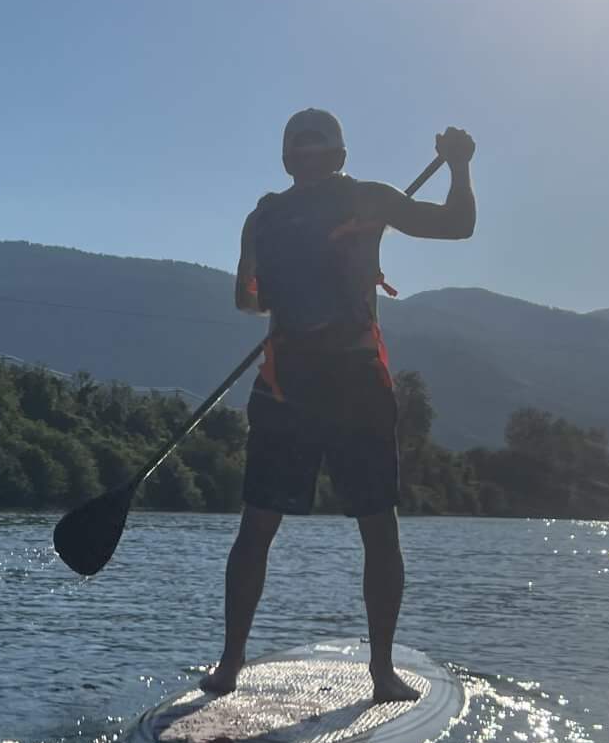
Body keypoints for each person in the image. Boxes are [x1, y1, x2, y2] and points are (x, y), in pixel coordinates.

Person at [203, 108, 476, 703]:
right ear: (339, 157)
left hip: (287, 383)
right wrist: (458, 167)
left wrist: (287, 292)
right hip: (350, 381)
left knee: (257, 529)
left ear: (289, 158)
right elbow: (459, 225)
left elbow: (246, 302)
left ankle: (230, 665)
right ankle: (381, 673)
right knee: (378, 530)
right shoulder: (367, 198)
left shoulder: (262, 216)